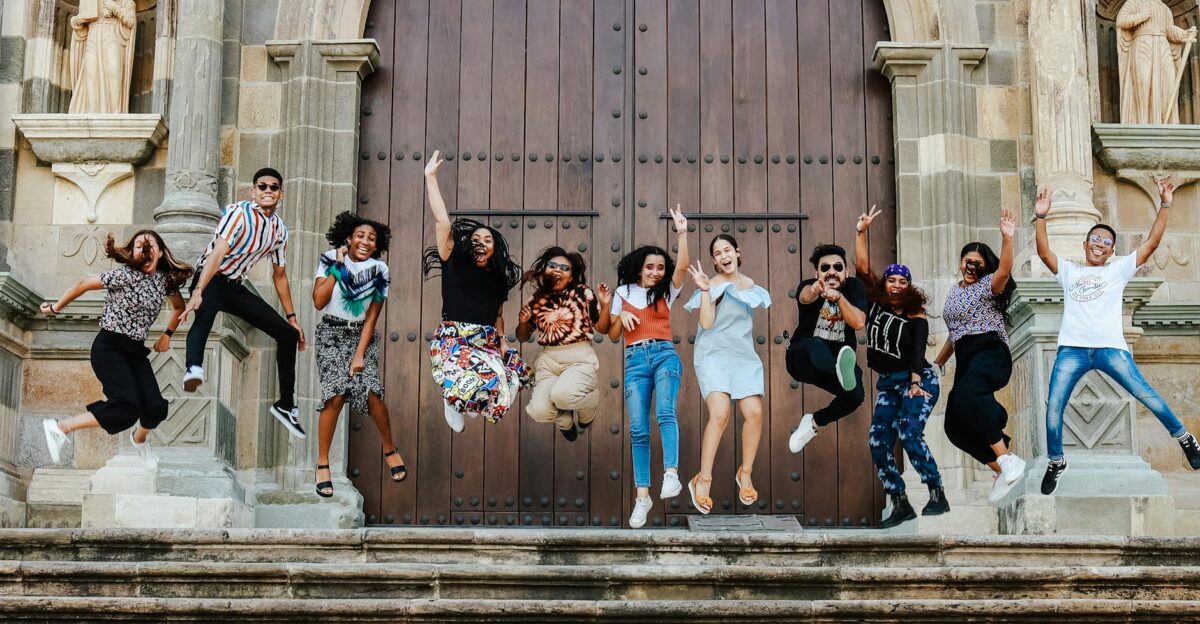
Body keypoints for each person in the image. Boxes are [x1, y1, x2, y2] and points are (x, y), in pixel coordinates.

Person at [1035, 178, 1200, 496]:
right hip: (1073, 350)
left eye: (1106, 241)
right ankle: (1057, 461)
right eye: (1094, 238)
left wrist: (1165, 204)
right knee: (1054, 405)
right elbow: (1044, 252)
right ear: (1085, 245)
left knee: (1147, 395)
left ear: (1112, 251)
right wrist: (1041, 216)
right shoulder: (1070, 271)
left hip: (1111, 349)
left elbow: (1151, 243)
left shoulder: (1118, 270)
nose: (1099, 243)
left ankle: (1185, 438)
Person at [40, 231, 193, 468]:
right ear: (132, 252)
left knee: (155, 408)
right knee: (126, 408)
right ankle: (60, 428)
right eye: (139, 245)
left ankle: (140, 441)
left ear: (160, 252)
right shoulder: (123, 275)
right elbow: (83, 284)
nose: (144, 249)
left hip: (134, 352)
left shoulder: (164, 281)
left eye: (150, 245)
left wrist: (167, 334)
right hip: (109, 347)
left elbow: (179, 307)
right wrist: (55, 308)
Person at [179, 167, 308, 438]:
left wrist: (292, 318)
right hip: (211, 278)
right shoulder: (239, 213)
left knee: (286, 335)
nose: (268, 191)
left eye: (274, 187)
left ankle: (286, 405)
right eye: (262, 186)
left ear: (281, 194)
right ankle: (193, 368)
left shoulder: (279, 230)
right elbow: (216, 254)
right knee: (204, 316)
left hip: (235, 287)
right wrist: (199, 290)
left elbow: (280, 275)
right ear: (253, 191)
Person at [422, 151, 530, 432]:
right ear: (468, 245)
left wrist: (503, 342)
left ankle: (466, 399)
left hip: (485, 339)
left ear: (495, 248)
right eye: (476, 239)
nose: (482, 242)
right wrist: (430, 179)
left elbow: (497, 315)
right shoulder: (453, 261)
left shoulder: (498, 278)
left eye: (488, 239)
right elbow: (442, 223)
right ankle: (453, 398)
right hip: (454, 337)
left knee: (505, 386)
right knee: (465, 388)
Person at [598, 206, 689, 528]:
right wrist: (617, 313)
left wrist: (682, 232)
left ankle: (671, 474)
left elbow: (684, 267)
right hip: (635, 360)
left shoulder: (667, 291)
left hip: (665, 355)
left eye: (660, 267)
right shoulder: (623, 292)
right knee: (638, 429)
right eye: (650, 266)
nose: (655, 271)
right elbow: (609, 334)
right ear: (639, 268)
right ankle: (642, 496)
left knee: (665, 412)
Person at [855, 206, 945, 527]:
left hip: (918, 380)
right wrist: (862, 232)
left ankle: (936, 491)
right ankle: (899, 501)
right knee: (878, 441)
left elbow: (918, 350)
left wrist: (916, 381)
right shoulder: (876, 303)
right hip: (889, 383)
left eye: (901, 281)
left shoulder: (915, 315)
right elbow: (863, 268)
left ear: (909, 287)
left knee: (908, 433)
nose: (894, 284)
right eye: (890, 279)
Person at [934, 209, 1027, 504]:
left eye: (978, 263)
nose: (971, 266)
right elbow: (955, 332)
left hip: (989, 351)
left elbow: (1003, 272)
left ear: (984, 267)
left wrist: (1007, 239)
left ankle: (1008, 457)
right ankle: (1000, 468)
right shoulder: (954, 292)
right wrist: (938, 361)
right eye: (967, 261)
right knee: (954, 425)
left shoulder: (989, 286)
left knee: (971, 398)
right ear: (961, 262)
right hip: (965, 356)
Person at [311, 211, 406, 497]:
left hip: (360, 336)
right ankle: (322, 462)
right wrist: (338, 267)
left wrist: (359, 354)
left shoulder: (380, 271)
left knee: (371, 391)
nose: (365, 241)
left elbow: (372, 316)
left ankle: (389, 446)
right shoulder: (330, 259)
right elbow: (318, 301)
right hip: (330, 333)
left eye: (372, 238)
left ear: (377, 245)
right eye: (360, 236)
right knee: (336, 393)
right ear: (349, 238)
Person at [682, 235, 771, 515]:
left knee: (755, 412)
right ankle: (702, 479)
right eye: (717, 253)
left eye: (727, 250)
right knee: (720, 415)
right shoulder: (713, 286)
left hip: (742, 356)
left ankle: (745, 473)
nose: (723, 255)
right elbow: (706, 323)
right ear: (714, 261)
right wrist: (706, 291)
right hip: (714, 355)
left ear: (737, 252)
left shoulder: (752, 287)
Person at [786, 243, 868, 454]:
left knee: (855, 394)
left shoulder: (853, 288)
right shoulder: (810, 285)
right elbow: (805, 296)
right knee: (816, 345)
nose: (831, 271)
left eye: (838, 267)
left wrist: (839, 298)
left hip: (833, 362)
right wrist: (815, 290)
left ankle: (813, 423)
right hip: (802, 359)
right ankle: (839, 369)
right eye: (825, 268)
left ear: (846, 272)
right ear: (817, 273)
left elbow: (858, 322)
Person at [516, 247, 602, 441]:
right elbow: (521, 337)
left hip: (579, 357)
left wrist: (605, 306)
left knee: (562, 395)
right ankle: (565, 421)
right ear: (545, 269)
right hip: (549, 360)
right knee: (537, 410)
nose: (558, 270)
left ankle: (590, 404)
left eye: (565, 268)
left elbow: (601, 326)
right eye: (552, 265)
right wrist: (523, 322)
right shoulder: (536, 299)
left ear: (571, 277)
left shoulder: (583, 292)